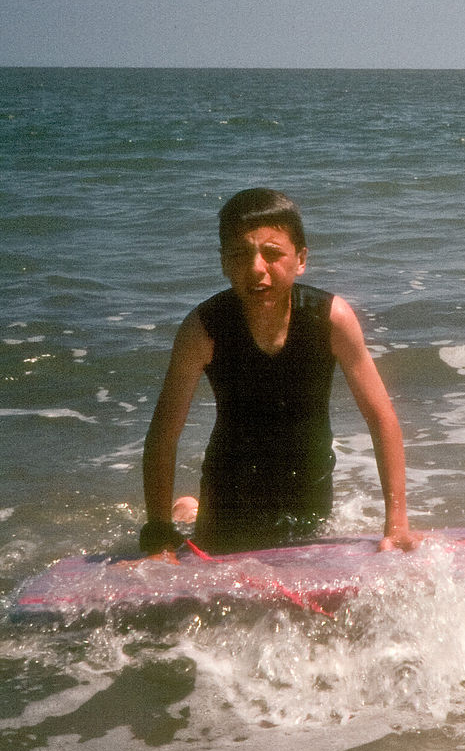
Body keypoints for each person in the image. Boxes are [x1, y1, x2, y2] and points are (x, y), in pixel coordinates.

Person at [140, 188, 414, 555]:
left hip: (310, 496)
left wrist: (396, 525)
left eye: (272, 254)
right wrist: (158, 534)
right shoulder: (203, 329)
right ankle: (189, 510)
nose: (256, 268)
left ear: (300, 259)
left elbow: (382, 417)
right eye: (240, 255)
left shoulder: (331, 319)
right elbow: (164, 435)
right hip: (230, 501)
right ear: (223, 263)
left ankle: (189, 508)